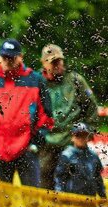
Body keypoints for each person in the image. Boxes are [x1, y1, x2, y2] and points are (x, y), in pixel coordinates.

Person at [0, 39, 54, 187]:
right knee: (3, 204)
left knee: (33, 202)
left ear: (20, 57)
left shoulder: (35, 80)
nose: (8, 61)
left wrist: (36, 142)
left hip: (27, 150)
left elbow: (47, 116)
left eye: (12, 57)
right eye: (5, 57)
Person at [39, 44, 99, 189]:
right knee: (45, 184)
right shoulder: (37, 81)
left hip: (71, 141)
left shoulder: (75, 80)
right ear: (44, 63)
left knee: (74, 184)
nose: (58, 64)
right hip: (47, 143)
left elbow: (91, 107)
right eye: (54, 62)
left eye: (60, 60)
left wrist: (88, 131)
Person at [54, 123, 105, 198]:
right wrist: (59, 197)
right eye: (78, 136)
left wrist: (103, 196)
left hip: (90, 199)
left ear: (88, 137)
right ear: (72, 138)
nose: (81, 138)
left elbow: (98, 179)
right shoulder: (66, 155)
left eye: (84, 136)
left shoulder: (93, 156)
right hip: (71, 200)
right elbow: (59, 179)